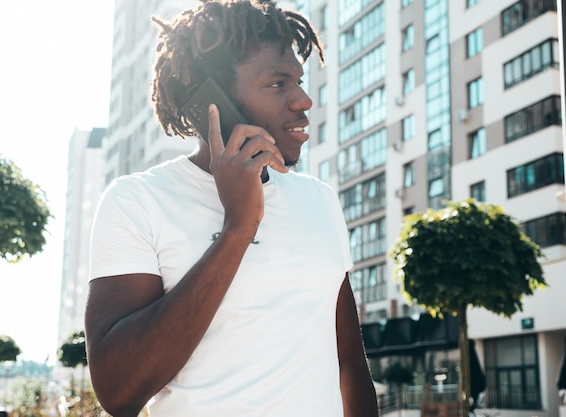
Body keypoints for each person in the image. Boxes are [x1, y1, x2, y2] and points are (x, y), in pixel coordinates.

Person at [84, 1, 379, 416]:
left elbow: (348, 361)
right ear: (213, 101)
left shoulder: (319, 199)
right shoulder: (137, 201)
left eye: (299, 81)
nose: (304, 101)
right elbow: (118, 391)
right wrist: (239, 227)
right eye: (278, 84)